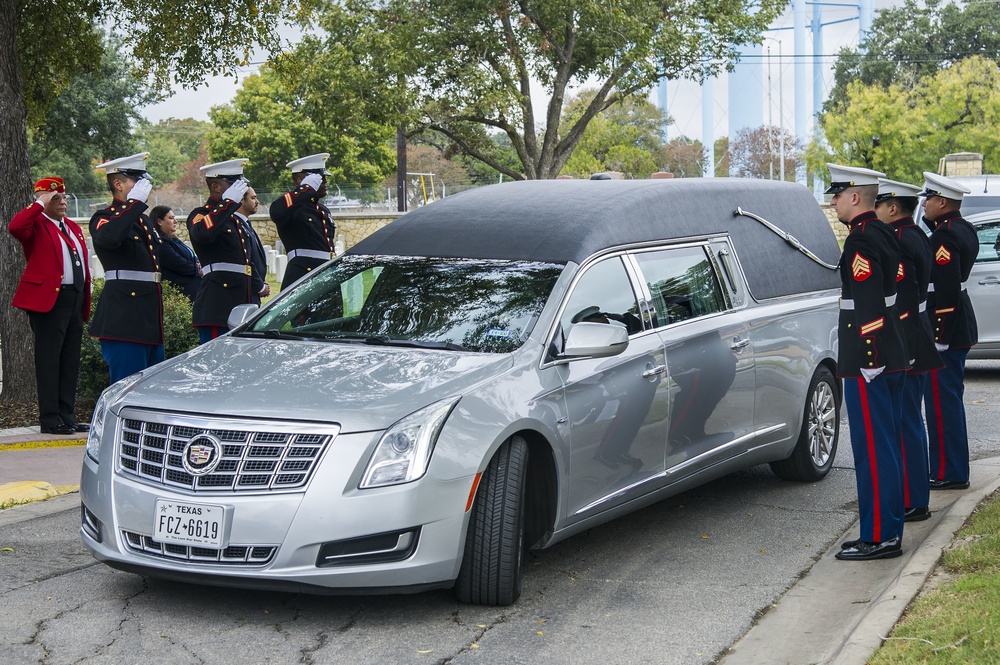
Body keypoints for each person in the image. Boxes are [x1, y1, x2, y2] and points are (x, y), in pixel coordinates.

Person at [826, 164, 909, 562]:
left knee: (873, 449)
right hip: (891, 352)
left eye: (838, 194)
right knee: (887, 445)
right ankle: (886, 528)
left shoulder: (860, 240)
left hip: (870, 359)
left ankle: (879, 536)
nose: (833, 201)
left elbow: (869, 300)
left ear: (855, 196)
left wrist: (870, 357)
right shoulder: (882, 232)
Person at [874, 178, 943, 522]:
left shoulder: (900, 240)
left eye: (878, 203)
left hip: (908, 337)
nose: (873, 210)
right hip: (917, 333)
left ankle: (914, 499)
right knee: (910, 420)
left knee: (906, 422)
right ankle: (916, 495)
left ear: (891, 207)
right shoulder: (915, 234)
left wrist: (899, 348)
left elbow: (901, 299)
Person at [8, 177, 92, 435]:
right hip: (50, 302)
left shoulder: (73, 228)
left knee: (69, 361)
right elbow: (15, 227)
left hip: (74, 299)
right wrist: (39, 203)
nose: (63, 202)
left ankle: (67, 415)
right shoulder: (36, 225)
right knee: (49, 361)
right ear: (43, 200)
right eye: (56, 198)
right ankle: (50, 418)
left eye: (64, 198)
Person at [919, 172, 978, 491]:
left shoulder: (944, 237)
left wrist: (939, 336)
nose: (924, 203)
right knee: (947, 400)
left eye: (928, 198)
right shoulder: (961, 228)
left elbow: (947, 288)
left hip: (948, 330)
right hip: (959, 326)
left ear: (942, 202)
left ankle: (949, 471)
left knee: (942, 404)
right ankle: (949, 466)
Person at [89, 153, 165, 383]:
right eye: (135, 181)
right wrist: (133, 204)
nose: (143, 186)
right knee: (126, 387)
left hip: (149, 316)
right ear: (118, 184)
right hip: (124, 317)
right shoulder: (103, 218)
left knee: (151, 388)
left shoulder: (144, 221)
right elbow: (109, 238)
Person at [187, 158, 254, 343]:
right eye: (233, 183)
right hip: (218, 305)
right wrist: (228, 202)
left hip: (241, 302)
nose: (240, 189)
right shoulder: (200, 215)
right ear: (216, 187)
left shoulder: (234, 219)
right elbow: (202, 235)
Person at [269, 152, 337, 290]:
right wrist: (304, 189)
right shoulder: (292, 208)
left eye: (324, 178)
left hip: (327, 273)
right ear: (301, 180)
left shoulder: (323, 209)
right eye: (319, 178)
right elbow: (276, 212)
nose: (324, 182)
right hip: (303, 274)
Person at [152, 205, 201, 301]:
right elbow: (177, 262)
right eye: (171, 218)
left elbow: (191, 255)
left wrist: (199, 263)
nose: (175, 221)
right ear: (159, 221)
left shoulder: (174, 240)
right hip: (181, 294)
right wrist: (197, 270)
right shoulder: (160, 243)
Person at [233, 186, 269, 305]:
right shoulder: (237, 225)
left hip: (252, 290)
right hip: (246, 290)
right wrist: (259, 286)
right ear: (242, 200)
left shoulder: (245, 224)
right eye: (253, 198)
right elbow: (246, 260)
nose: (257, 202)